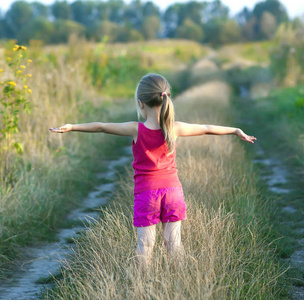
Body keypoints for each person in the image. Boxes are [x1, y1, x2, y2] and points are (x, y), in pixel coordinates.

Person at [49, 73, 256, 266]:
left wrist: (72, 126)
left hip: (146, 194)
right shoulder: (175, 128)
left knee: (145, 246)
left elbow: (101, 126)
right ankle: (180, 285)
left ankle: (142, 286)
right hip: (173, 192)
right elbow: (206, 128)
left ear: (141, 103)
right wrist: (235, 131)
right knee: (174, 245)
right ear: (164, 98)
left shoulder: (135, 129)